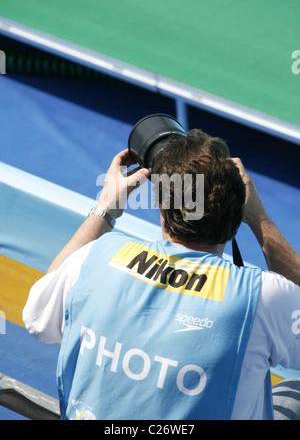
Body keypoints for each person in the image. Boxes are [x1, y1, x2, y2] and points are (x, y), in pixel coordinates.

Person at [23, 129, 300, 420]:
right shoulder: (261, 297)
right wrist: (261, 221)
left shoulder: (98, 255)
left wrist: (106, 207)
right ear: (236, 216)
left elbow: (37, 316)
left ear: (163, 212)